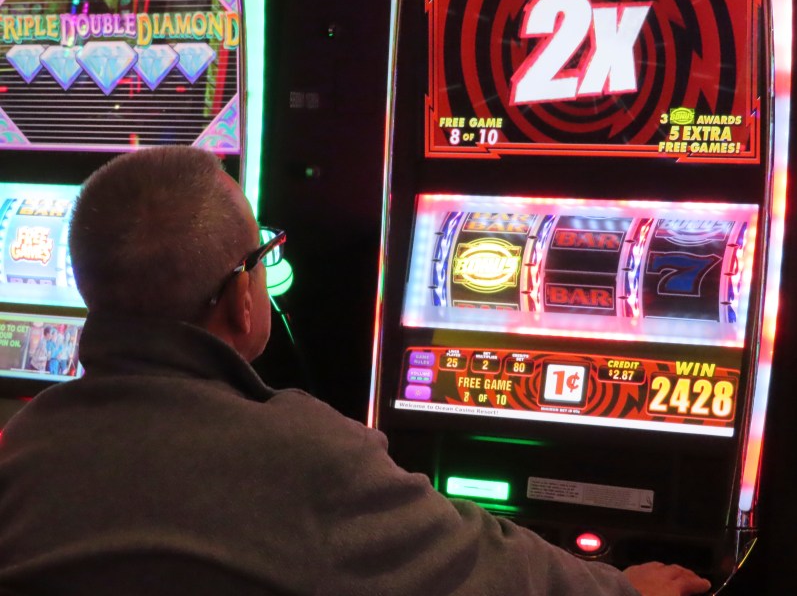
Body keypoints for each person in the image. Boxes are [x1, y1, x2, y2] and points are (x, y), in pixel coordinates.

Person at [0, 146, 711, 596]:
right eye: (261, 258)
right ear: (237, 297)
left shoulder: (24, 446)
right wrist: (625, 589)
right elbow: (486, 569)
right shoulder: (302, 456)